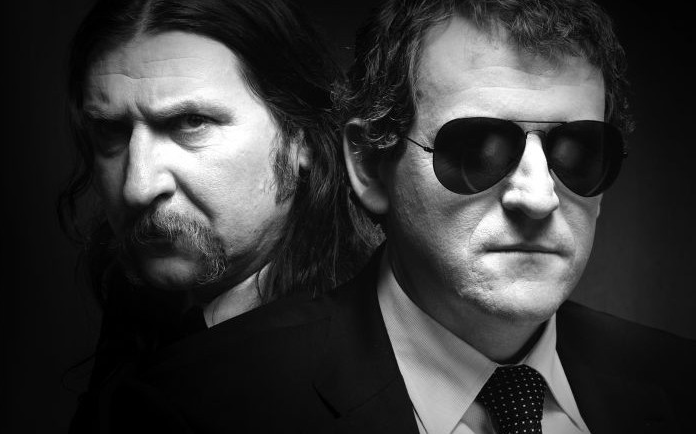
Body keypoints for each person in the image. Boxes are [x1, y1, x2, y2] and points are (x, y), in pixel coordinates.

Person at [98, 0, 695, 432]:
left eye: (578, 153)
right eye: (477, 150)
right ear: (369, 164)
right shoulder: (196, 408)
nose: (539, 198)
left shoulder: (679, 384)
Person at [60, 0, 376, 431]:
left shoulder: (356, 365)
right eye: (111, 130)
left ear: (300, 137)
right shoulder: (144, 299)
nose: (138, 187)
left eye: (191, 122)